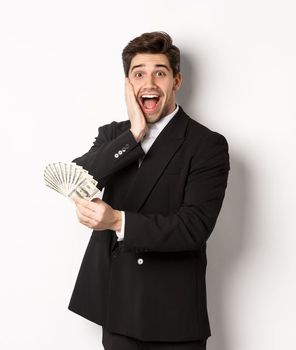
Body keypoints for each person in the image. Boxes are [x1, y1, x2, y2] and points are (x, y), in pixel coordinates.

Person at [67, 32, 230, 349]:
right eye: (139, 73)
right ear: (128, 84)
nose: (150, 82)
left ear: (176, 81)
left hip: (174, 316)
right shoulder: (115, 134)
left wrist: (117, 221)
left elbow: (193, 228)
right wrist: (134, 134)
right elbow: (74, 179)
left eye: (160, 72)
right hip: (120, 309)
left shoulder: (206, 145)